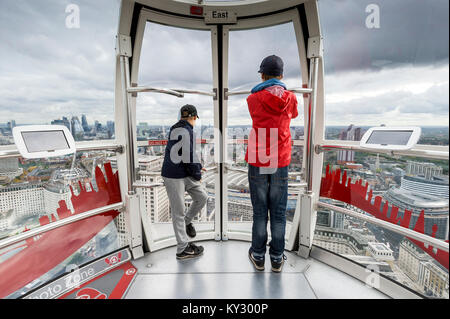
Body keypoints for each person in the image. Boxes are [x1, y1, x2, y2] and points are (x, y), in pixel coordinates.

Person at [245, 55, 299, 272]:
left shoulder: (253, 99)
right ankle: (277, 258)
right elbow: (293, 114)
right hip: (280, 160)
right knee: (278, 211)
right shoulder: (291, 98)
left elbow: (256, 113)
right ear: (282, 75)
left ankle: (258, 256)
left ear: (262, 75)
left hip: (258, 159)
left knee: (260, 211)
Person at [161, 104, 208, 260]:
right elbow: (187, 154)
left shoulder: (178, 128)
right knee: (178, 211)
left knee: (202, 197)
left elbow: (185, 153)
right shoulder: (186, 131)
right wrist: (197, 173)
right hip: (174, 176)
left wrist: (198, 167)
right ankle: (183, 249)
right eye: (195, 119)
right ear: (194, 117)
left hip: (183, 172)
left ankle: (187, 222)